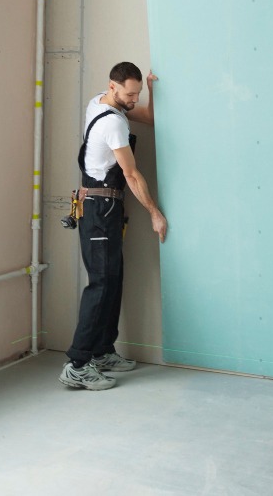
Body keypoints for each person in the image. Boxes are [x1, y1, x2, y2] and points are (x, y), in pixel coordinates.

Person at [59, 61, 168, 391]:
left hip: (103, 206)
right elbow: (131, 175)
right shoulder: (112, 124)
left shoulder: (100, 102)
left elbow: (150, 118)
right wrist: (154, 212)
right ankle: (78, 364)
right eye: (130, 94)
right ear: (113, 86)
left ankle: (102, 351)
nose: (134, 100)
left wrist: (151, 92)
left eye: (137, 93)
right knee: (101, 285)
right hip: (99, 209)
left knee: (112, 281)